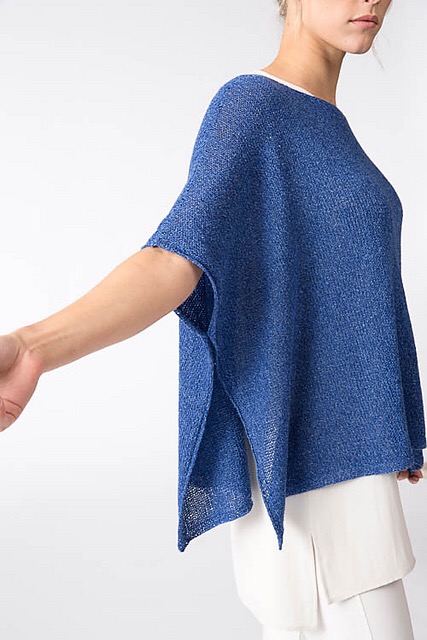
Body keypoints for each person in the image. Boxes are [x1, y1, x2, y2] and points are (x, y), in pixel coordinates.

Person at [0, 0, 423, 638]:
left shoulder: (324, 121)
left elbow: (351, 293)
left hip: (344, 472)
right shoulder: (251, 108)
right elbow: (176, 260)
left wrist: (396, 417)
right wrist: (33, 347)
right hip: (310, 483)